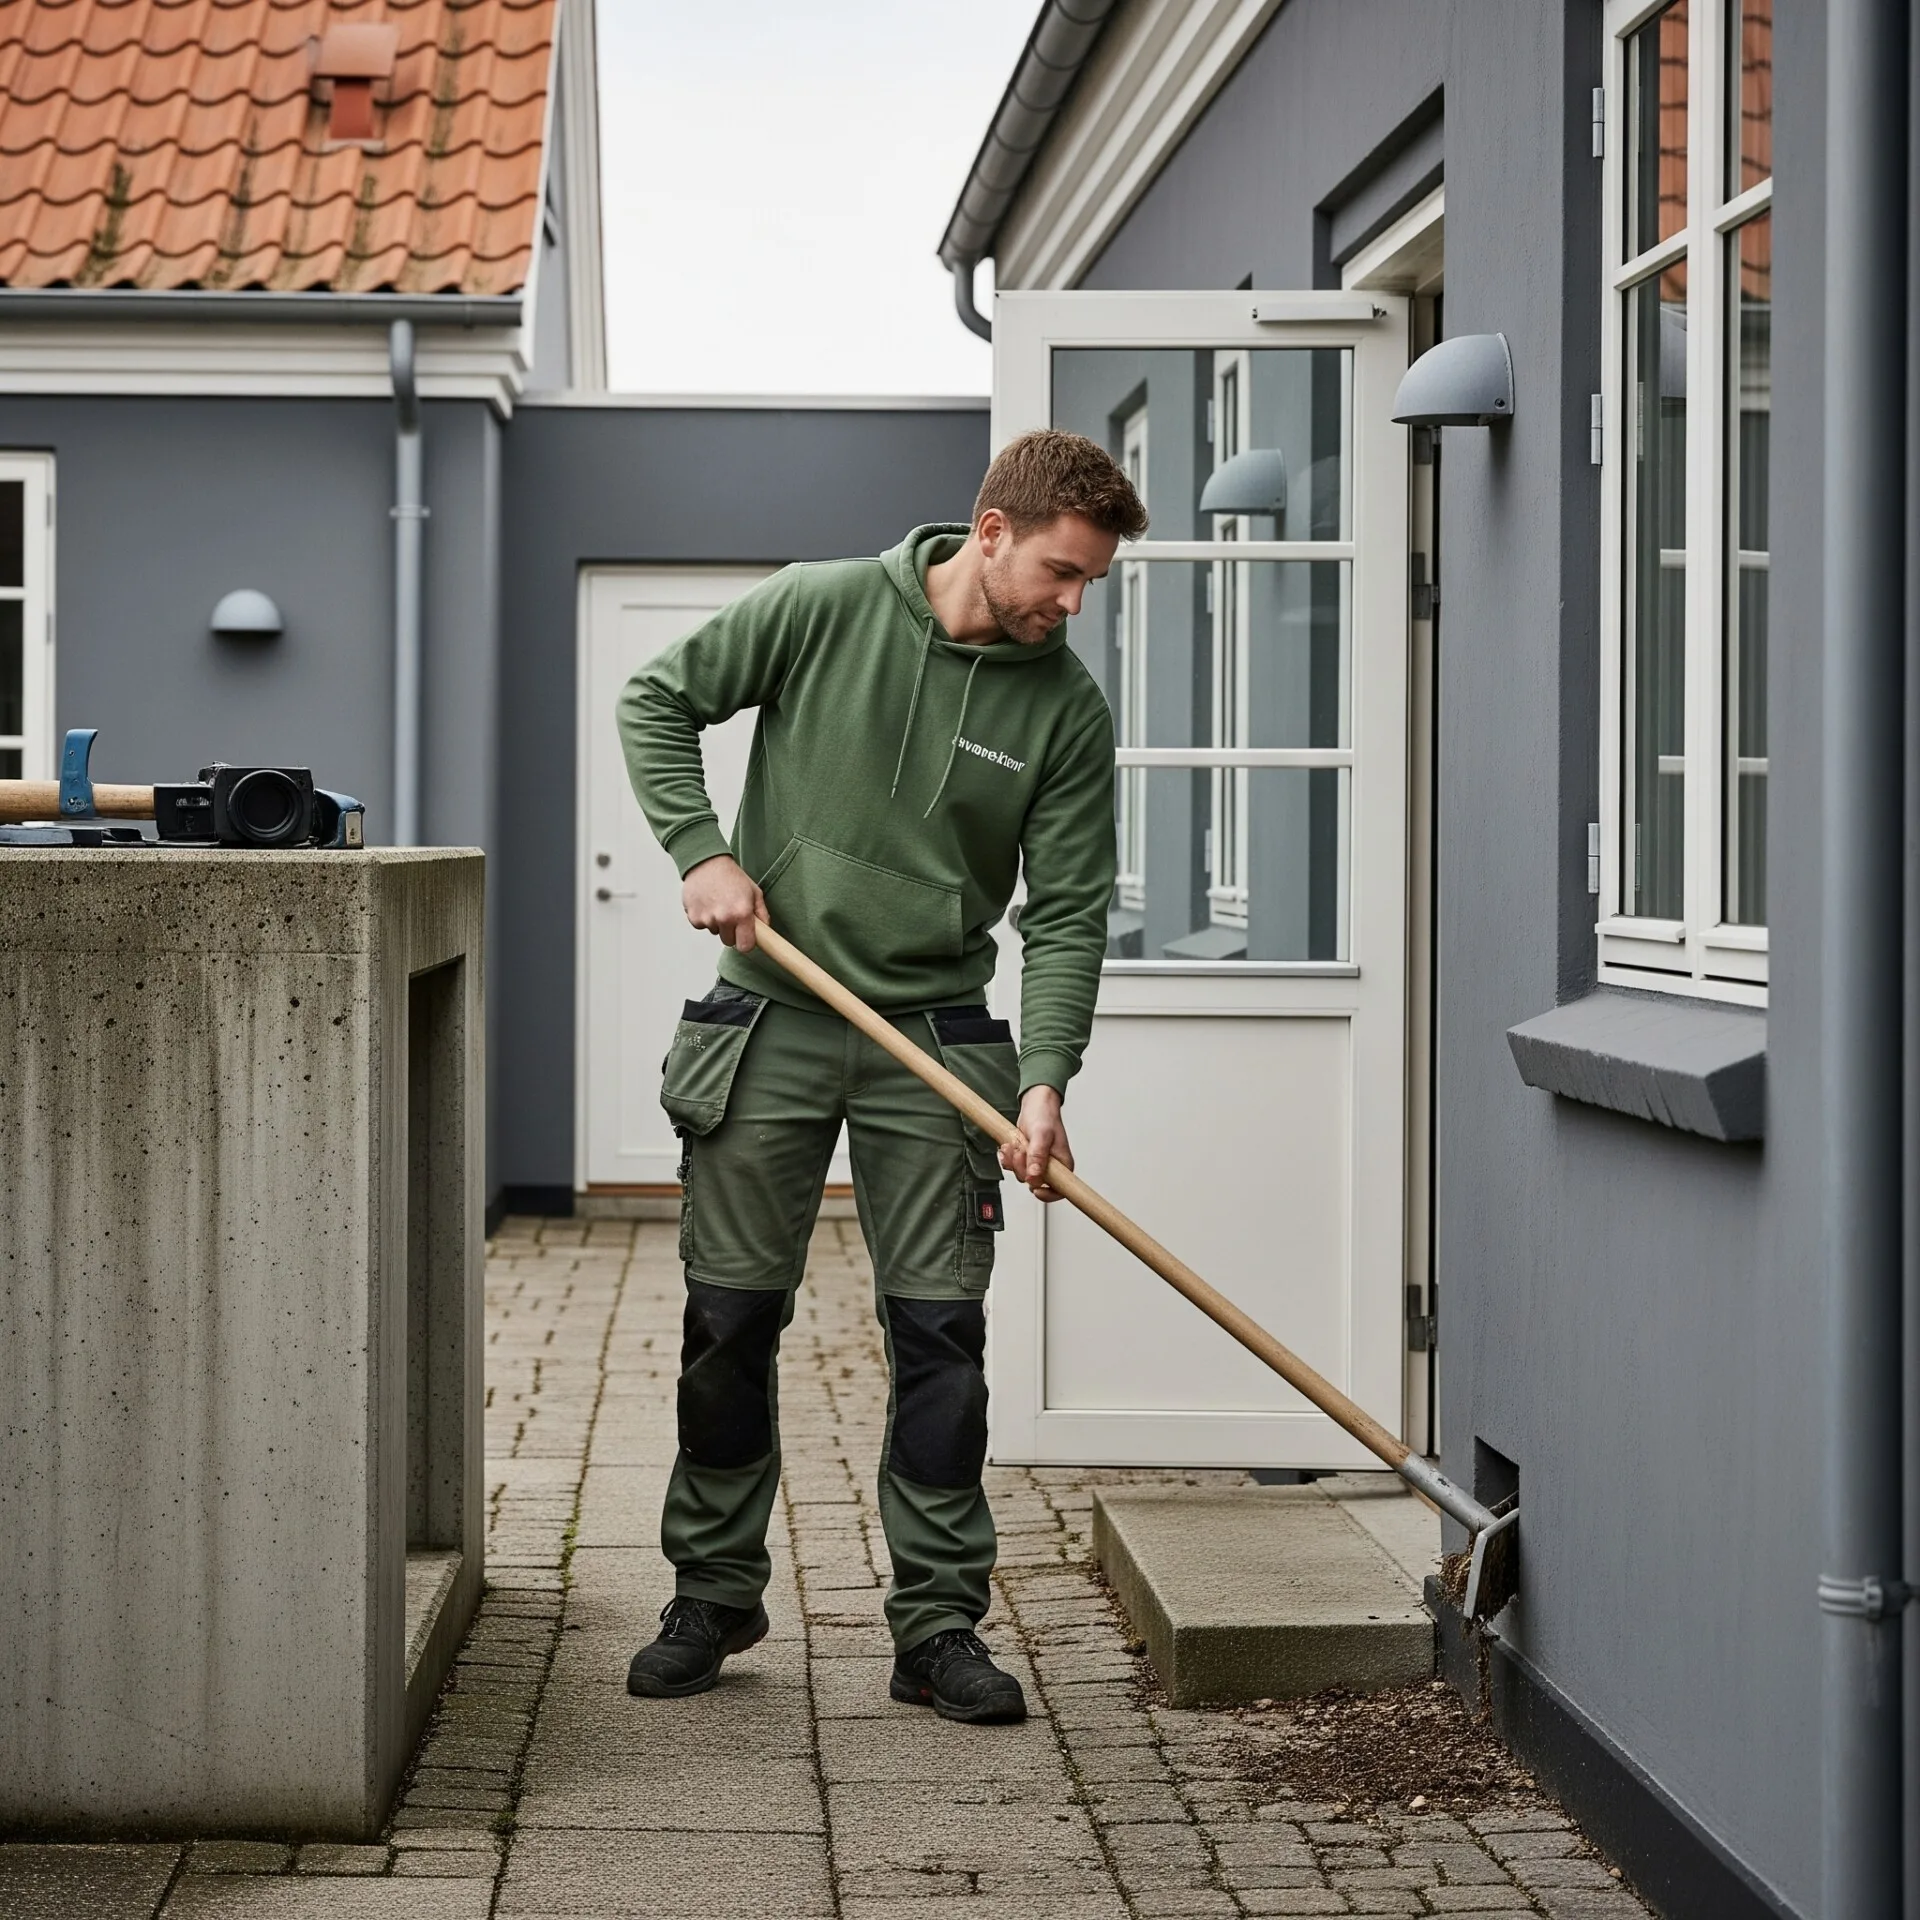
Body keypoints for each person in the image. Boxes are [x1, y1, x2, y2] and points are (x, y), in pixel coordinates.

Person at [616, 429, 1147, 1723]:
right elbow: (656, 699)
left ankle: (935, 1627)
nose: (1072, 605)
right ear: (990, 531)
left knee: (940, 1342)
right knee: (731, 1322)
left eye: (1090, 585)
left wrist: (1046, 1083)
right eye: (1062, 573)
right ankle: (716, 1590)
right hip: (772, 1015)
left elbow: (1069, 914)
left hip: (941, 1038)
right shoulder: (825, 604)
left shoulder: (1063, 709)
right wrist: (701, 850)